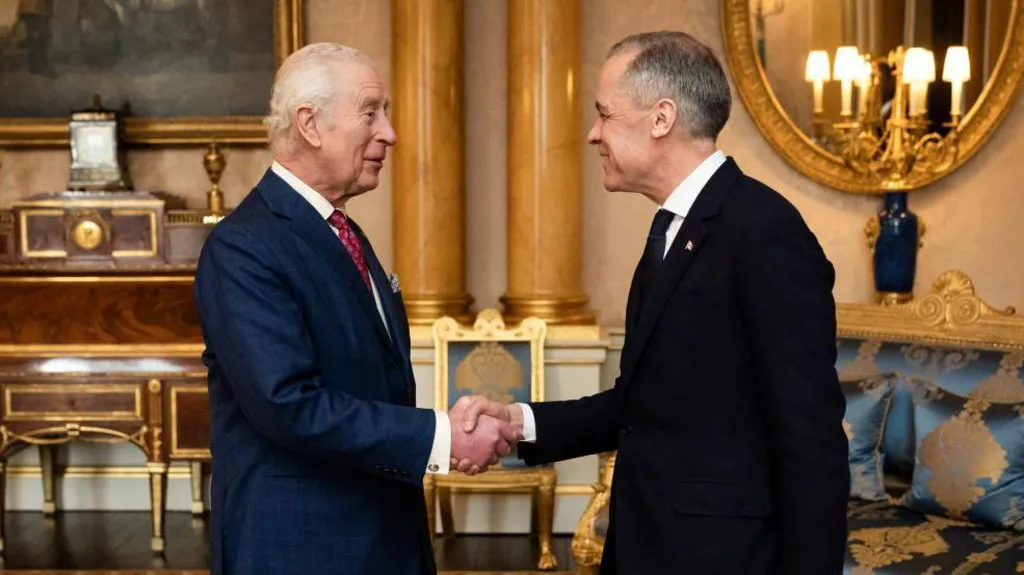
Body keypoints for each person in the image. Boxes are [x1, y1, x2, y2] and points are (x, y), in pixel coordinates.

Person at [456, 31, 850, 574]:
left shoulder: (763, 231)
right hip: (651, 544)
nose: (593, 135)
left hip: (723, 558)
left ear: (661, 118)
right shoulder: (671, 229)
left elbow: (810, 437)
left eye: (604, 114)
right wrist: (517, 421)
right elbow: (641, 404)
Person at [194, 43, 518, 575]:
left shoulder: (339, 231)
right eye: (371, 112)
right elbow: (289, 405)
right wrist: (441, 435)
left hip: (380, 533)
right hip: (302, 546)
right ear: (310, 124)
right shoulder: (244, 247)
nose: (389, 132)